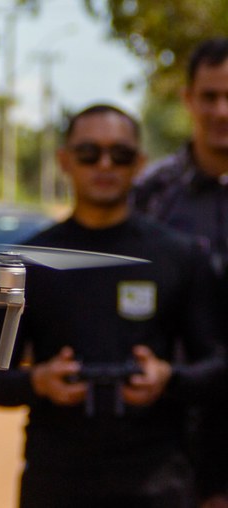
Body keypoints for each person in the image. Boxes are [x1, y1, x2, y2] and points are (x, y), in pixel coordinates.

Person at [0, 104, 225, 507]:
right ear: (65, 161)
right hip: (57, 482)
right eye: (89, 153)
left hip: (156, 481)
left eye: (121, 154)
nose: (105, 164)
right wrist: (39, 381)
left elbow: (216, 367)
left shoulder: (179, 256)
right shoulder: (25, 263)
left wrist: (167, 378)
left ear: (140, 164)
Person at [132, 38, 228, 506]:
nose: (221, 111)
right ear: (189, 99)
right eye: (209, 96)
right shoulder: (152, 194)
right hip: (169, 421)